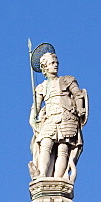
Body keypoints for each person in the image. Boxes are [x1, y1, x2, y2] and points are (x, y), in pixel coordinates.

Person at [30, 50, 87, 181]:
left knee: (63, 149)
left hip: (67, 118)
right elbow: (36, 106)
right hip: (50, 118)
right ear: (45, 67)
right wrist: (33, 118)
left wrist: (80, 108)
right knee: (45, 144)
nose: (55, 65)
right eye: (52, 63)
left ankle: (58, 178)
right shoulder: (41, 87)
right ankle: (42, 174)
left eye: (56, 62)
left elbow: (78, 95)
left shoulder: (67, 80)